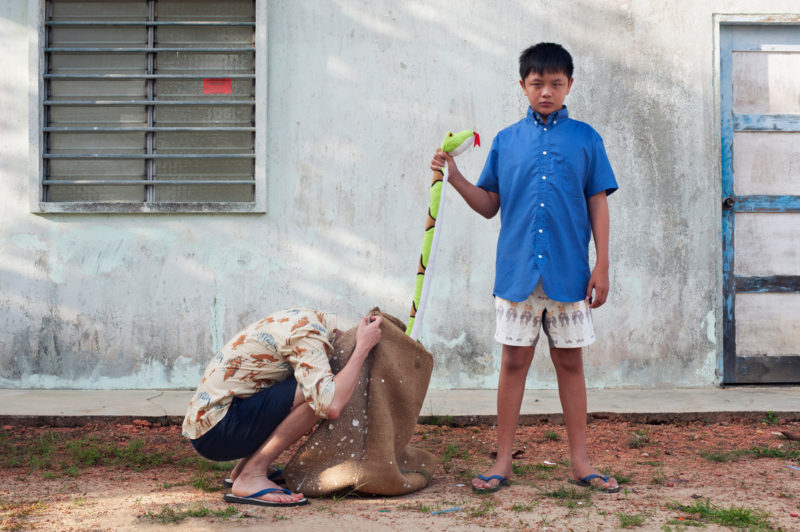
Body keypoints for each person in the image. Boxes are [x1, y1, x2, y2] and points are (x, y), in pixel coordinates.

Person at [431, 42, 620, 493]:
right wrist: (455, 177)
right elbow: (488, 205)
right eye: (537, 83)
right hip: (516, 273)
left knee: (570, 363)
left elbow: (598, 205)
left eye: (556, 83)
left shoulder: (587, 140)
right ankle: (501, 462)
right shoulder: (506, 141)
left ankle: (580, 461)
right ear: (523, 86)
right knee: (513, 361)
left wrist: (603, 265)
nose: (547, 92)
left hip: (571, 271)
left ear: (569, 84)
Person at [182, 308, 383, 506]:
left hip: (213, 425)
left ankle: (243, 469)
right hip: (218, 431)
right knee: (321, 394)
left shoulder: (310, 321)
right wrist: (362, 349)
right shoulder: (308, 334)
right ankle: (252, 474)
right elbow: (332, 406)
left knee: (316, 384)